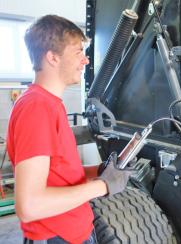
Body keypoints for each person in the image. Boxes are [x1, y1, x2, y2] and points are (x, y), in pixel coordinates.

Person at [6, 15, 131, 243]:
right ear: (52, 57)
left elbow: (58, 174)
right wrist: (102, 186)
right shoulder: (37, 107)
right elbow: (30, 205)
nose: (85, 61)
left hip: (71, 232)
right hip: (56, 237)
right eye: (78, 52)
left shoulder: (50, 104)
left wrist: (100, 170)